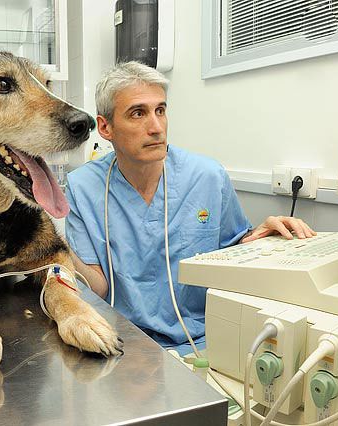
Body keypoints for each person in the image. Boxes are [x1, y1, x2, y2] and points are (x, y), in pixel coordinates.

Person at [64, 62, 315, 355]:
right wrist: (50, 241)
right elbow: (96, 289)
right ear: (106, 127)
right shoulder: (82, 188)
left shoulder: (207, 176)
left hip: (202, 341)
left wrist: (261, 238)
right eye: (138, 113)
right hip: (124, 347)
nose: (156, 127)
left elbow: (230, 253)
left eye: (161, 110)